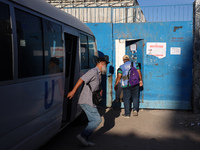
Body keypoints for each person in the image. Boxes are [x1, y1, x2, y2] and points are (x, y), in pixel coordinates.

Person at [67, 57, 109, 146]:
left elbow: (95, 84)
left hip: (91, 100)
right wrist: (73, 91)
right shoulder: (93, 71)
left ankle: (84, 140)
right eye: (106, 64)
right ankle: (83, 136)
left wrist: (100, 89)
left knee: (92, 120)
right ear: (102, 63)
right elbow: (81, 79)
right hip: (87, 100)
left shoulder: (99, 73)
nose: (106, 66)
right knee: (97, 120)